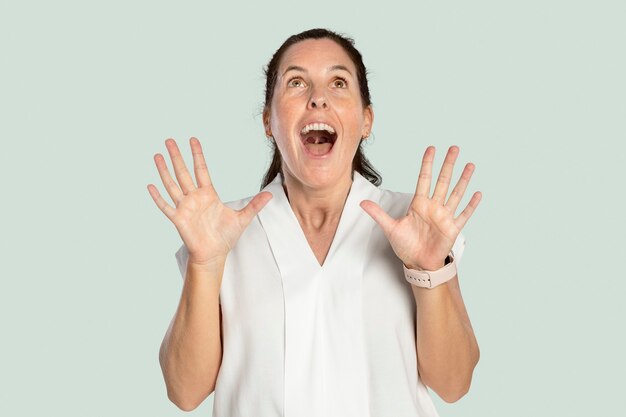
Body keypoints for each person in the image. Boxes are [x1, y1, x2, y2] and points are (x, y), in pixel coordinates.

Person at [147, 28, 482, 417]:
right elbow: (184, 392)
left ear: (366, 119)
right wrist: (204, 263)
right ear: (269, 121)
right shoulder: (223, 230)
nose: (318, 98)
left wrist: (427, 270)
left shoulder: (414, 222)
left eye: (338, 82)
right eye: (296, 83)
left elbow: (454, 384)